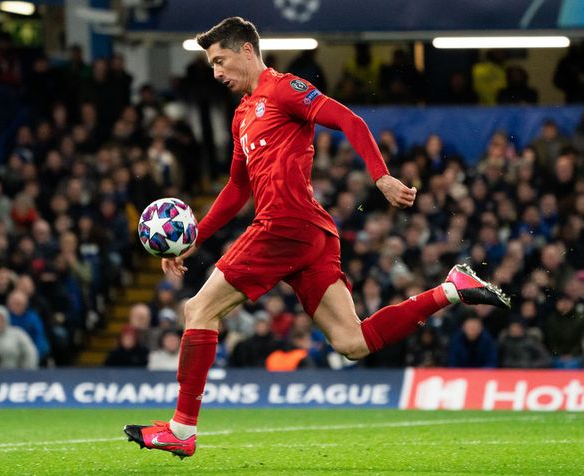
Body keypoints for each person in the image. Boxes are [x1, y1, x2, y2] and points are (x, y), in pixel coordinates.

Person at [124, 17, 510, 459]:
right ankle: (450, 290)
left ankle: (181, 429)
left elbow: (349, 119)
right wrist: (197, 237)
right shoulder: (241, 116)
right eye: (211, 65)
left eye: (220, 61)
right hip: (310, 234)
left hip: (283, 224)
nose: (216, 73)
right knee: (353, 343)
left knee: (198, 308)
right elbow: (236, 189)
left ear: (246, 51)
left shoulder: (285, 89)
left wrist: (380, 176)